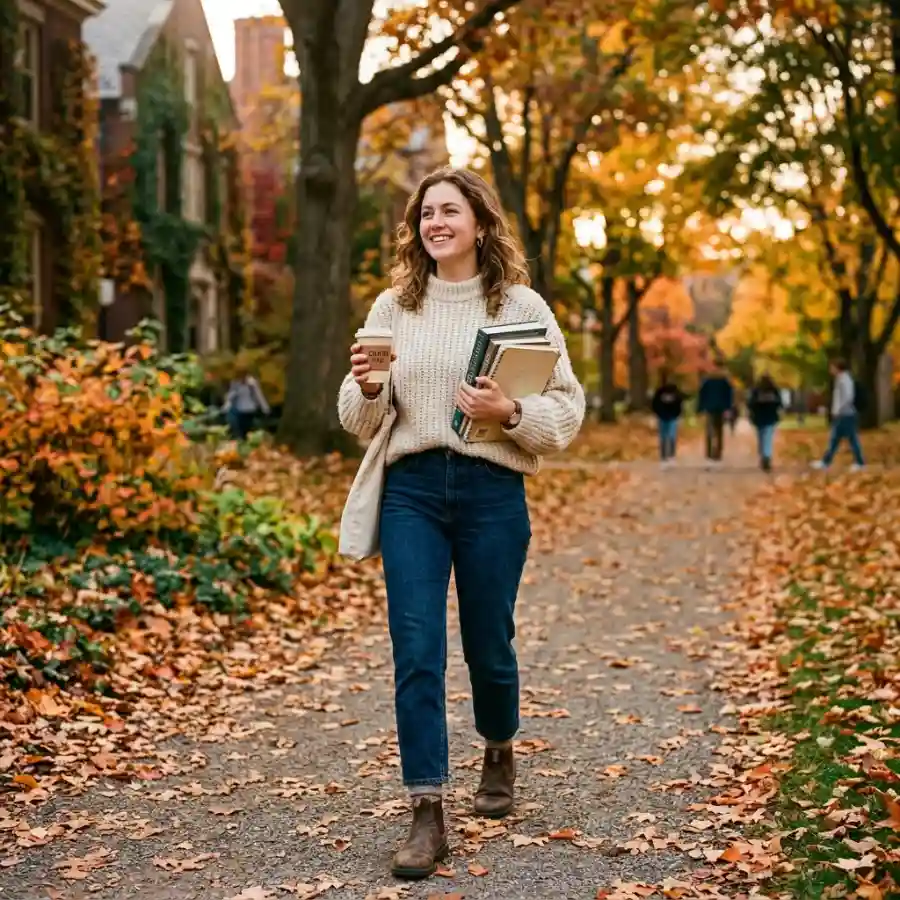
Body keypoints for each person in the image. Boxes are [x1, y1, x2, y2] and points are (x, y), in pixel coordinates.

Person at [337, 167, 585, 879]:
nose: (434, 222)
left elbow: (565, 412)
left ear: (480, 222)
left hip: (491, 490)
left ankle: (499, 745)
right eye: (425, 213)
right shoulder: (394, 306)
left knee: (489, 642)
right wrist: (368, 388)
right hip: (411, 489)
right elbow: (359, 421)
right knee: (416, 647)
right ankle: (426, 811)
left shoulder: (521, 305)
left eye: (449, 210)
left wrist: (507, 414)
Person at [812, 358, 865, 471]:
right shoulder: (841, 379)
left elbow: (847, 397)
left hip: (846, 414)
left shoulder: (844, 379)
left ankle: (859, 463)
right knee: (836, 439)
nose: (830, 369)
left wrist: (838, 410)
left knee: (850, 439)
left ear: (837, 367)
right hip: (843, 414)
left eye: (832, 367)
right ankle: (826, 461)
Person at [697, 357, 734, 466]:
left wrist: (700, 408)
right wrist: (728, 408)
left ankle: (709, 453)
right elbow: (729, 396)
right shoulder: (725, 380)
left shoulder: (707, 379)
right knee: (719, 431)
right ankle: (717, 453)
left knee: (709, 430)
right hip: (721, 408)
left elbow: (702, 394)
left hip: (710, 407)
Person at [747, 374, 782, 471]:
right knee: (768, 437)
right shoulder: (774, 391)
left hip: (759, 418)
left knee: (761, 438)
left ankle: (763, 455)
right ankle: (767, 455)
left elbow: (750, 404)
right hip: (770, 417)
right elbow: (779, 403)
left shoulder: (756, 391)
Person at [223, 366, 270, 439]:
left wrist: (265, 408)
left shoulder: (252, 383)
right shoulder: (235, 383)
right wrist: (225, 407)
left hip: (250, 409)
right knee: (238, 427)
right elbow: (230, 397)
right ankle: (239, 438)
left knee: (248, 428)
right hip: (239, 410)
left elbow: (258, 395)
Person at [650, 370, 683, 467]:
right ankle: (663, 456)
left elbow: (679, 403)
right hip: (662, 416)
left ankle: (671, 456)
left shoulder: (675, 391)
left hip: (672, 417)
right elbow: (655, 403)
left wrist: (678, 414)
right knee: (663, 437)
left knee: (672, 437)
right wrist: (657, 413)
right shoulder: (660, 391)